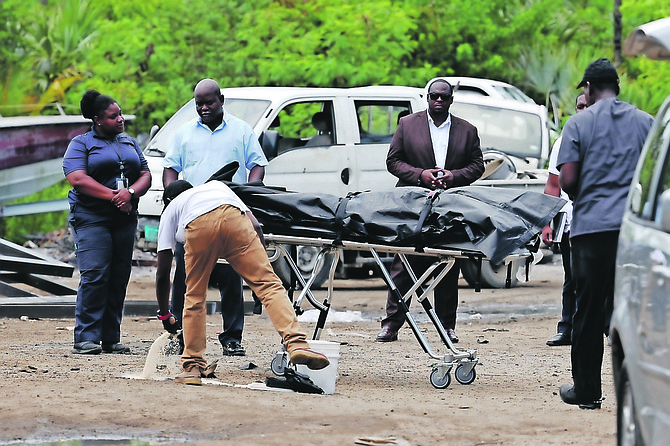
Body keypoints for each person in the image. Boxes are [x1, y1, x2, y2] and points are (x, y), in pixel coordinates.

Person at [155, 179, 329, 385]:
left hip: (199, 225)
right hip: (234, 219)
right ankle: (297, 344)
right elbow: (255, 224)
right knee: (270, 286)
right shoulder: (217, 187)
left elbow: (163, 271)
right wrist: (261, 265)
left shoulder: (171, 208)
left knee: (195, 295)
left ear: (168, 200)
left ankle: (192, 367)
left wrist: (165, 314)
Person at [557, 58, 654, 409]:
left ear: (589, 88)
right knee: (640, 311)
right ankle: (645, 392)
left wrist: (594, 193)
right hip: (634, 230)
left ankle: (587, 390)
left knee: (589, 310)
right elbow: (655, 174)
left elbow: (567, 182)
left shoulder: (578, 124)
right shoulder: (646, 122)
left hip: (592, 231)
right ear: (617, 86)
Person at [162, 78, 268, 357]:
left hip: (228, 213)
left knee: (231, 279)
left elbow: (257, 165)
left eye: (209, 102)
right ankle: (180, 335)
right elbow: (170, 168)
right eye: (199, 104)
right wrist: (174, 197)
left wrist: (250, 191)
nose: (204, 108)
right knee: (185, 280)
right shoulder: (184, 133)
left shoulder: (241, 131)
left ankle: (232, 337)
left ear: (221, 100)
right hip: (193, 217)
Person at [376, 79, 484, 344]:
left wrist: (453, 176)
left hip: (450, 206)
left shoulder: (467, 130)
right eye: (434, 96)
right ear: (427, 98)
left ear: (451, 100)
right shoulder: (407, 124)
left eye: (443, 97)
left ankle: (446, 326)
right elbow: (393, 161)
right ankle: (391, 324)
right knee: (403, 264)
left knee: (448, 266)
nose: (438, 101)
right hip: (413, 204)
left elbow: (478, 165)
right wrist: (420, 175)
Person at [63, 90, 152, 355]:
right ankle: (85, 337)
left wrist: (131, 193)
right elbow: (78, 178)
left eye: (121, 114)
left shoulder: (129, 142)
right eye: (114, 116)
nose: (121, 119)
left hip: (123, 219)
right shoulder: (81, 144)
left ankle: (111, 337)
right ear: (97, 120)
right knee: (95, 275)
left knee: (118, 276)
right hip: (91, 219)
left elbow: (146, 173)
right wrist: (115, 196)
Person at [543, 93, 587, 347]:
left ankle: (605, 327)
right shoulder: (564, 141)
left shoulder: (607, 139)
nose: (582, 110)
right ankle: (567, 328)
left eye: (587, 106)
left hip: (600, 220)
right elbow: (553, 185)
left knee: (600, 277)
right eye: (578, 106)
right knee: (571, 277)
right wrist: (546, 221)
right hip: (571, 221)